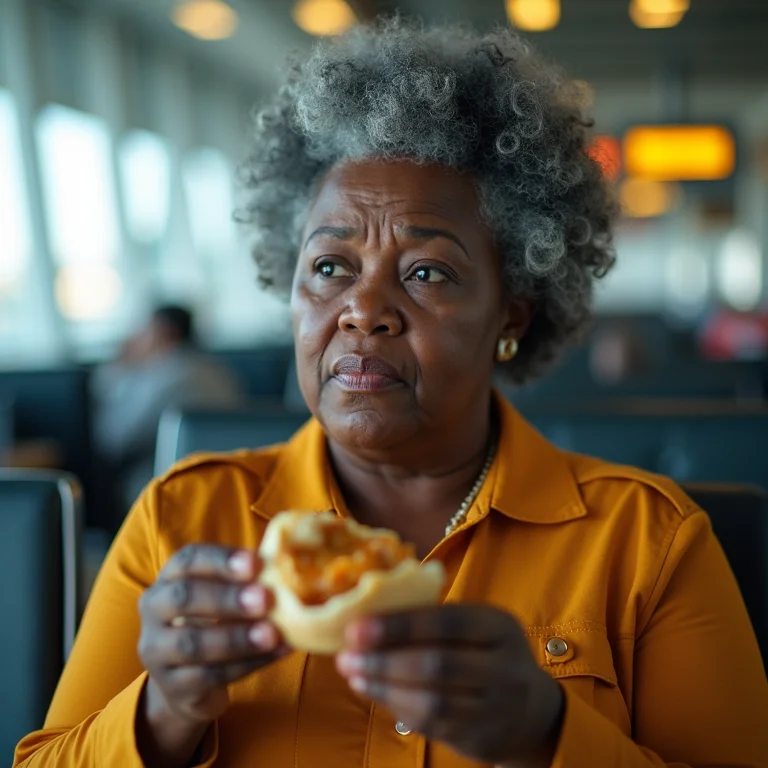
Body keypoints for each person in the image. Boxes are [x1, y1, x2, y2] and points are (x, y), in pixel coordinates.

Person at [15, 19, 768, 768]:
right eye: (331, 267)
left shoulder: (648, 543)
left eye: (426, 273)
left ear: (512, 313)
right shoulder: (179, 520)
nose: (361, 308)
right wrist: (163, 709)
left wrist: (547, 734)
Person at [91, 305, 244, 521]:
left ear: (163, 332)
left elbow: (113, 437)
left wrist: (119, 367)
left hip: (171, 480)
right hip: (234, 477)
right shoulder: (217, 369)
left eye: (145, 330)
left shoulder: (163, 376)